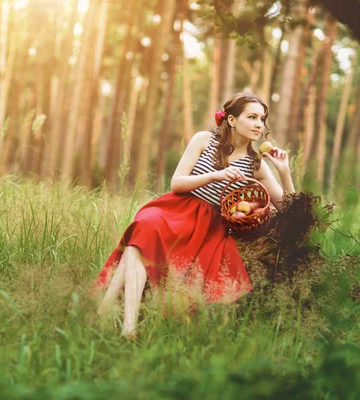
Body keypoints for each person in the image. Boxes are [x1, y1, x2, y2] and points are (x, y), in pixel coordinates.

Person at [95, 93, 295, 336]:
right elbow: (176, 182)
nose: (259, 125)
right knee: (144, 227)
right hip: (177, 209)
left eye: (262, 119)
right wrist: (214, 175)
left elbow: (287, 208)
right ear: (232, 120)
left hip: (209, 224)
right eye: (252, 117)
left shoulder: (256, 164)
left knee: (134, 248)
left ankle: (109, 316)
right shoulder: (204, 140)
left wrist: (284, 172)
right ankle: (127, 327)